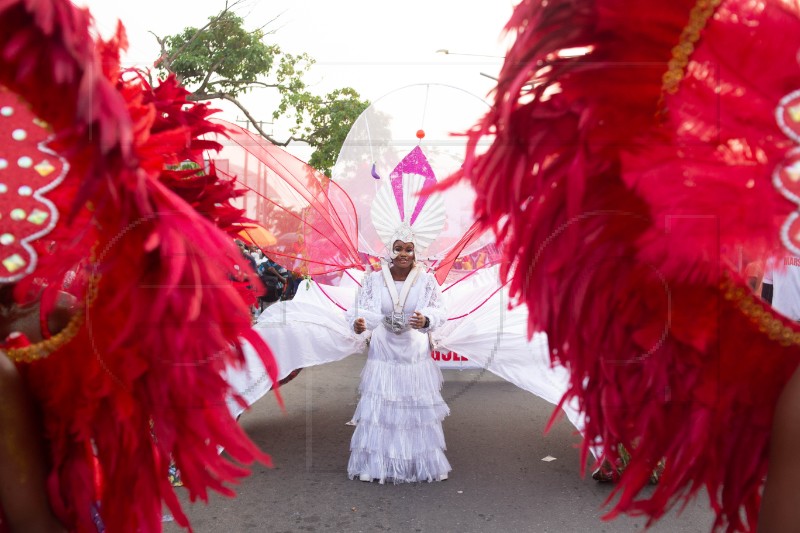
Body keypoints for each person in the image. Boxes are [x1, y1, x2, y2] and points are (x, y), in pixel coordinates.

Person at [348, 237, 450, 483]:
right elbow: (361, 309)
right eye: (398, 248)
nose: (403, 253)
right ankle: (376, 464)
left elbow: (439, 311)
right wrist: (360, 323)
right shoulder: (373, 279)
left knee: (415, 406)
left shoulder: (426, 281)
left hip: (414, 349)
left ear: (416, 252)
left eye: (408, 249)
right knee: (381, 406)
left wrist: (426, 320)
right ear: (389, 251)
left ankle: (421, 462)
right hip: (384, 350)